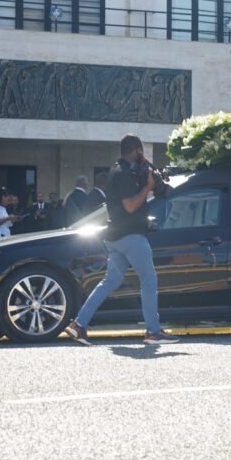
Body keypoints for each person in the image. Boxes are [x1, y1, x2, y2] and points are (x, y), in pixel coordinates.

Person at [64, 134, 178, 346]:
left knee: (110, 282)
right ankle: (153, 331)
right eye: (141, 151)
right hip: (130, 236)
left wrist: (151, 182)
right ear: (136, 150)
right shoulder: (124, 173)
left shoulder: (118, 169)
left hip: (115, 237)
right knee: (149, 280)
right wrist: (148, 187)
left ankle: (78, 325)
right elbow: (130, 206)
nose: (142, 156)